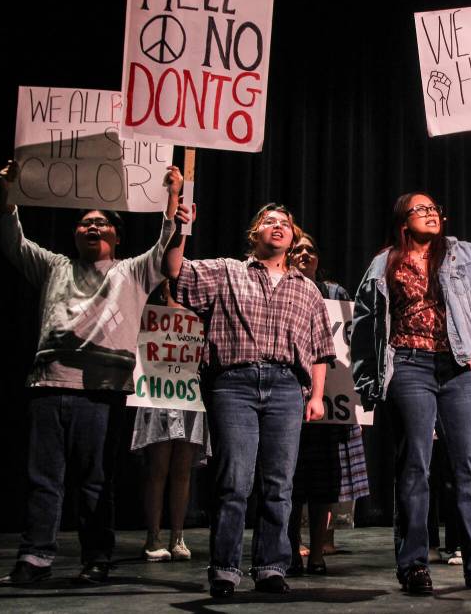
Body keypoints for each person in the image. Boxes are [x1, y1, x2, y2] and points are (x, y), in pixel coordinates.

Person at [0, 160, 181, 584]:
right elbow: (13, 241)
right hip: (49, 383)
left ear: (116, 235)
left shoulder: (130, 271)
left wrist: (172, 197)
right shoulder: (55, 266)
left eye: (101, 223)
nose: (92, 227)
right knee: (43, 479)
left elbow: (163, 248)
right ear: (75, 234)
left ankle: (97, 558)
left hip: (102, 390)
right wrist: (8, 193)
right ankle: (35, 557)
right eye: (85, 223)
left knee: (95, 481)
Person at [351, 180, 471, 594]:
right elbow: (364, 325)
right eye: (422, 209)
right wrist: (369, 382)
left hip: (454, 367)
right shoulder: (385, 265)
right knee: (415, 465)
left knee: (468, 466)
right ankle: (414, 563)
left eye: (435, 207)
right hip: (409, 366)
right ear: (403, 220)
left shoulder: (459, 252)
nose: (432, 213)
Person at [163, 203, 335, 598]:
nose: (278, 228)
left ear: (292, 237)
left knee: (279, 484)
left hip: (287, 386)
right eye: (269, 222)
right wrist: (178, 225)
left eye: (285, 224)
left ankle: (271, 567)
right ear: (254, 233)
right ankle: (224, 569)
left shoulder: (306, 288)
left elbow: (321, 349)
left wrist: (318, 395)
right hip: (234, 383)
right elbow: (175, 271)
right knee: (234, 481)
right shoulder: (226, 271)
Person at [286, 232, 369, 576]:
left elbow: (351, 342)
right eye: (298, 249)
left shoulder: (336, 295)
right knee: (289, 484)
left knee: (324, 484)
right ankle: (289, 552)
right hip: (289, 399)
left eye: (311, 249)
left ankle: (317, 552)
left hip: (330, 406)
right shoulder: (280, 291)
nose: (305, 253)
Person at [130, 282, 211, 562]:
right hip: (157, 396)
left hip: (188, 399)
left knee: (182, 471)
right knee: (158, 469)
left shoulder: (199, 319)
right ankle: (153, 535)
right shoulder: (150, 317)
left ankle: (178, 535)